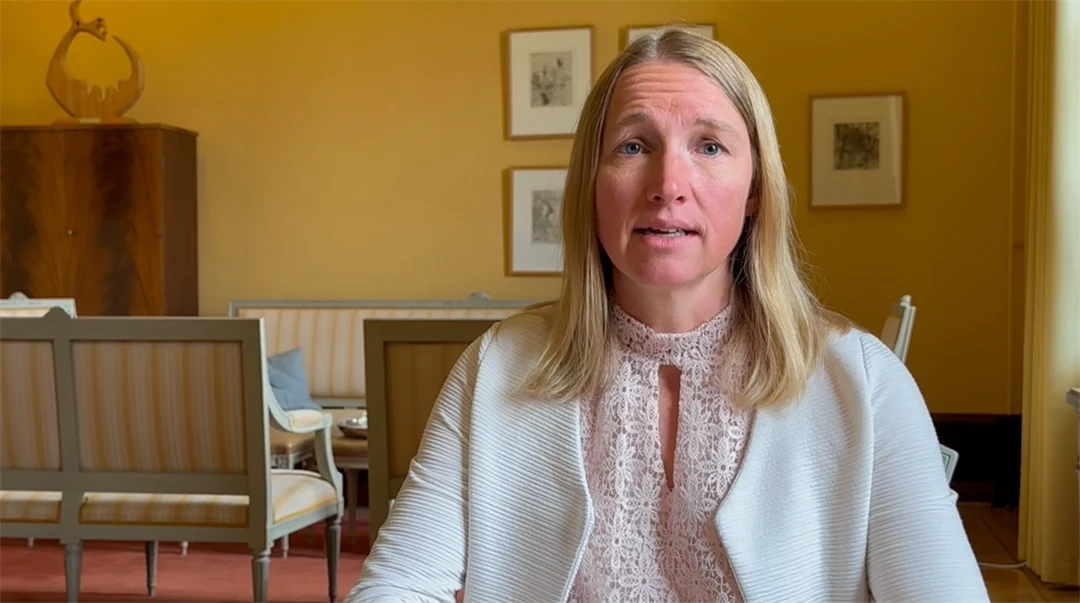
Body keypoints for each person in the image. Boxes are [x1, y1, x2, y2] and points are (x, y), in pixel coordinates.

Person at [345, 28, 990, 603]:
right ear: (592, 184)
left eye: (709, 146)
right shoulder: (496, 367)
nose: (668, 183)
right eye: (632, 146)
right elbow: (400, 583)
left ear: (756, 190)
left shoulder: (864, 383)